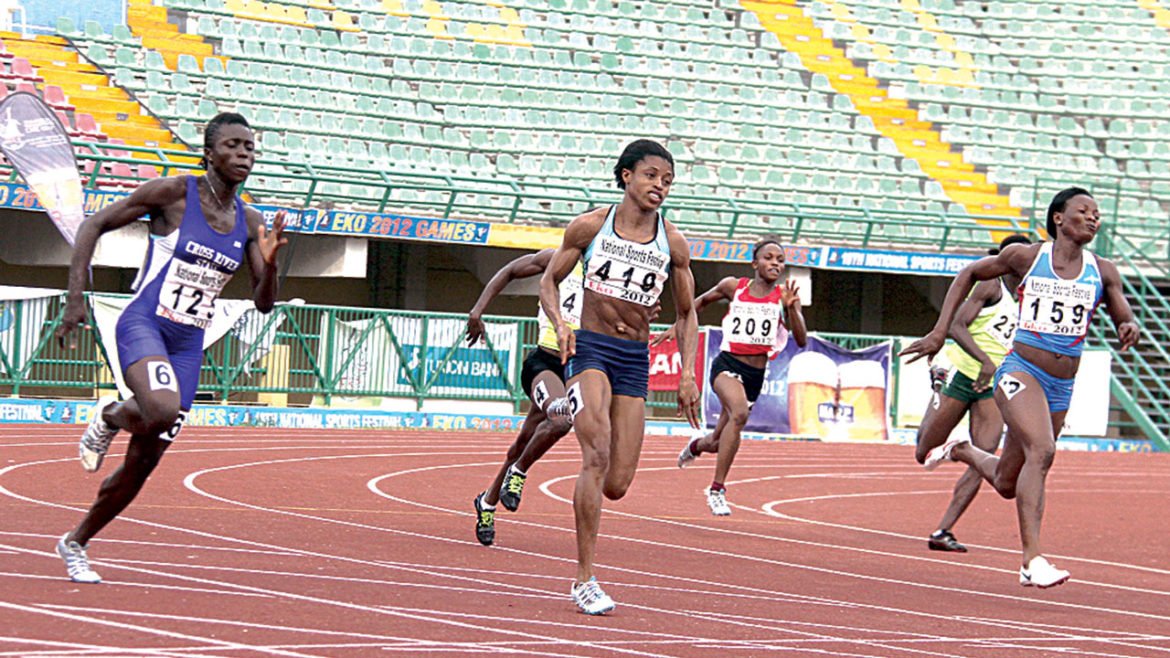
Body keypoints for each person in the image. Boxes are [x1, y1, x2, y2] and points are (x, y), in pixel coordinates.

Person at [53, 113, 287, 583]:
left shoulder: (251, 221)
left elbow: (264, 305)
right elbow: (92, 225)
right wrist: (75, 298)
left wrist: (272, 263)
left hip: (188, 345)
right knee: (158, 408)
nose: (245, 155)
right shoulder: (174, 195)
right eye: (234, 146)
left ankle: (75, 541)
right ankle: (109, 416)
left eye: (251, 148)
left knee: (143, 463)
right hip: (146, 325)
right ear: (210, 152)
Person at [902, 188, 1139, 588]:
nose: (1094, 218)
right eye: (1084, 211)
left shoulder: (1104, 270)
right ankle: (1032, 561)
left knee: (1009, 482)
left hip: (1062, 384)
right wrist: (940, 331)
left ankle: (961, 449)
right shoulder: (1028, 257)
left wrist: (1127, 325)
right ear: (1059, 218)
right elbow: (968, 274)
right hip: (1020, 370)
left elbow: (1122, 311)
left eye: (1097, 213)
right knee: (1042, 451)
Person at [540, 139, 700, 615]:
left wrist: (687, 373)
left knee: (618, 483)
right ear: (627, 176)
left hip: (634, 357)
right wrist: (561, 325)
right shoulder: (591, 226)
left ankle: (591, 478)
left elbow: (687, 313)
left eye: (667, 180)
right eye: (652, 176)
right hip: (590, 347)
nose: (660, 187)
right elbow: (549, 279)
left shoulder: (672, 242)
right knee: (597, 451)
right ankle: (583, 579)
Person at [665, 236, 807, 516]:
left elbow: (801, 339)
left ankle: (696, 445)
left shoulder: (785, 297)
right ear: (754, 263)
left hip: (755, 374)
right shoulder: (734, 287)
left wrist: (791, 310)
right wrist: (677, 324)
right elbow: (700, 302)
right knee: (739, 414)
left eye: (780, 260)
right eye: (768, 258)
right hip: (726, 365)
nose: (774, 263)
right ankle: (717, 489)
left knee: (717, 443)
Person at [915, 234, 1031, 553]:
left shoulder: (1030, 296)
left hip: (992, 385)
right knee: (923, 451)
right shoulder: (990, 286)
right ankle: (937, 383)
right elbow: (956, 326)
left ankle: (943, 530)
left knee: (985, 456)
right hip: (963, 373)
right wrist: (984, 361)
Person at [465, 248, 581, 546]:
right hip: (544, 361)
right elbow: (508, 272)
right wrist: (477, 311)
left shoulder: (610, 273)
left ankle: (487, 503)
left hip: (580, 368)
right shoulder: (556, 258)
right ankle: (518, 473)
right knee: (561, 417)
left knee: (524, 439)